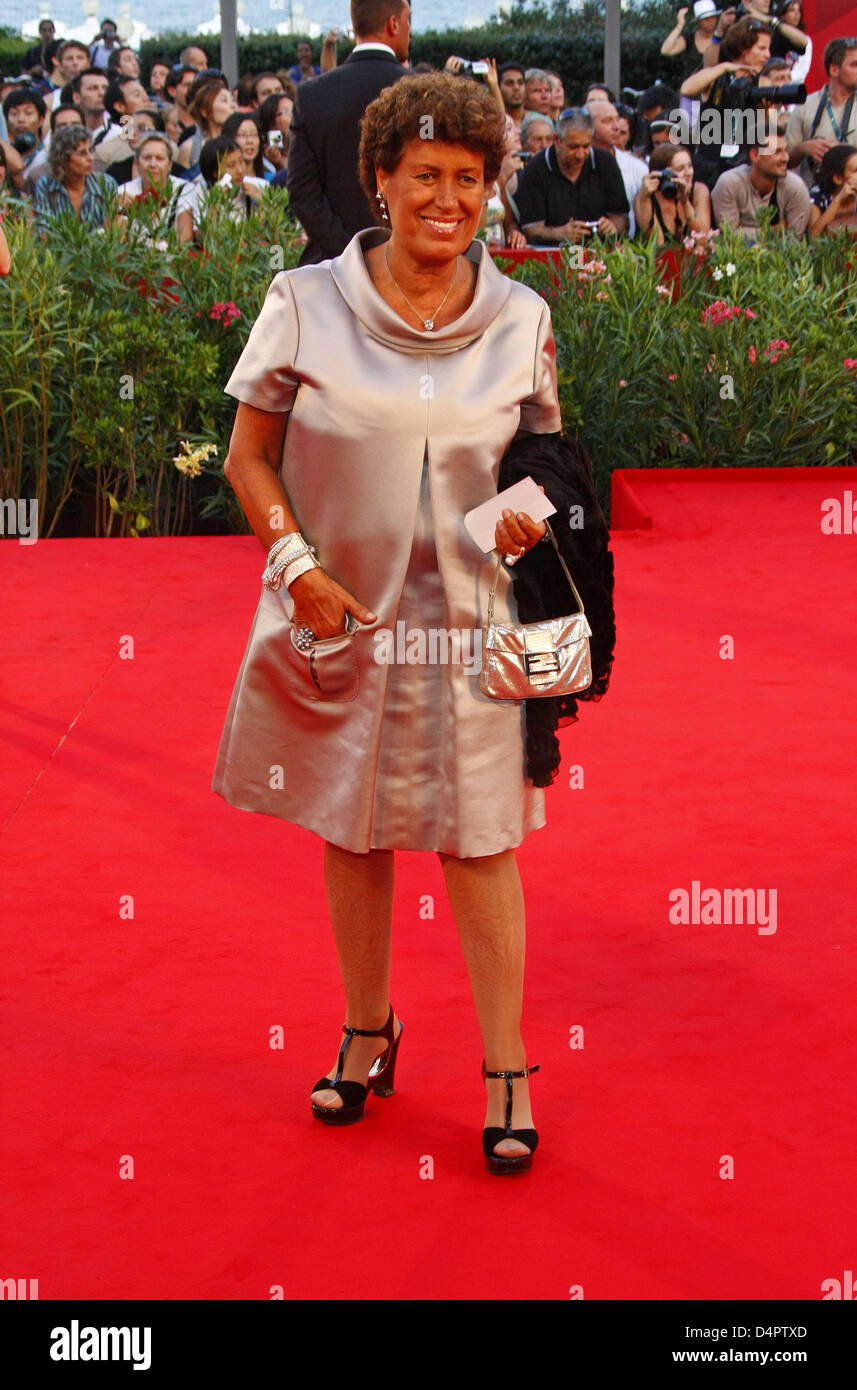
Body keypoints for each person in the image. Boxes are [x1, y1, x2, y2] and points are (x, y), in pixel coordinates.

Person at [212, 68, 578, 1173]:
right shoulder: (304, 300)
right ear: (381, 178)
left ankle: (506, 1063)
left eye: (468, 178)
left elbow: (549, 471)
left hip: (473, 629)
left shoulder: (521, 317)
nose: (446, 198)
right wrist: (294, 564)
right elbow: (249, 456)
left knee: (481, 843)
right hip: (342, 612)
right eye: (425, 174)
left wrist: (500, 539)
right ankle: (367, 1029)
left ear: (488, 190)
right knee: (353, 824)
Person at [287, 0, 409, 265]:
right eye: (408, 21)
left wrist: (349, 255)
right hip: (405, 270)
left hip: (328, 269)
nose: (409, 31)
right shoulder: (422, 92)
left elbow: (301, 192)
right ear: (394, 24)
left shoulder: (312, 94)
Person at [513, 106, 629, 245]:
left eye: (586, 146)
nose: (580, 155)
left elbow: (622, 217)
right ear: (557, 141)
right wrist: (559, 233)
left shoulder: (605, 162)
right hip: (553, 253)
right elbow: (530, 228)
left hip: (599, 252)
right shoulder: (536, 168)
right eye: (573, 147)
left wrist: (612, 226)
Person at [711, 125, 810, 238]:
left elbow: (794, 241)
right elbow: (729, 236)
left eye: (785, 150)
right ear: (755, 155)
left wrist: (743, 231)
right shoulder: (729, 183)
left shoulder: (795, 188)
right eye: (777, 152)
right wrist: (774, 231)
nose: (786, 158)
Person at [786, 38, 857, 190]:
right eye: (854, 65)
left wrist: (845, 154)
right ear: (834, 70)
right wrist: (805, 148)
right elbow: (785, 159)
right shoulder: (805, 106)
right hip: (811, 200)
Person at [32, 124, 116, 231]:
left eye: (90, 150)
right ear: (62, 158)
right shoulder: (46, 186)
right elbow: (43, 231)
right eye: (82, 153)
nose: (90, 158)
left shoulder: (106, 183)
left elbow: (112, 230)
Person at [117, 130, 195, 242]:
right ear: (137, 163)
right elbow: (117, 240)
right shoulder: (124, 191)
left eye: (160, 158)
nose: (153, 164)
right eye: (147, 158)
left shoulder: (185, 190)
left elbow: (184, 236)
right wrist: (118, 211)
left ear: (170, 164)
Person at [634, 141, 712, 241]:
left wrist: (685, 202)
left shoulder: (699, 190)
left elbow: (703, 239)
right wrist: (645, 201)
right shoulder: (643, 198)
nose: (688, 173)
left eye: (690, 166)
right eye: (680, 169)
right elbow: (656, 245)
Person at [661, 1, 721, 81]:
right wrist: (680, 25)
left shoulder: (724, 37)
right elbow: (666, 50)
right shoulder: (689, 38)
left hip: (718, 89)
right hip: (692, 88)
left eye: (713, 17)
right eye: (706, 18)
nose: (710, 21)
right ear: (698, 21)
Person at [808, 143, 857, 236]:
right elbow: (813, 238)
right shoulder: (818, 197)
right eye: (856, 170)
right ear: (838, 178)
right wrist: (837, 200)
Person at [221, 110, 267, 181]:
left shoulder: (270, 179)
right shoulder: (222, 181)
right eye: (243, 135)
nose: (249, 141)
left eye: (254, 134)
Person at [498, 61, 526, 127]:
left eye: (520, 83)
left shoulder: (537, 120)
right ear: (498, 87)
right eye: (509, 83)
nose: (516, 88)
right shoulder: (491, 123)